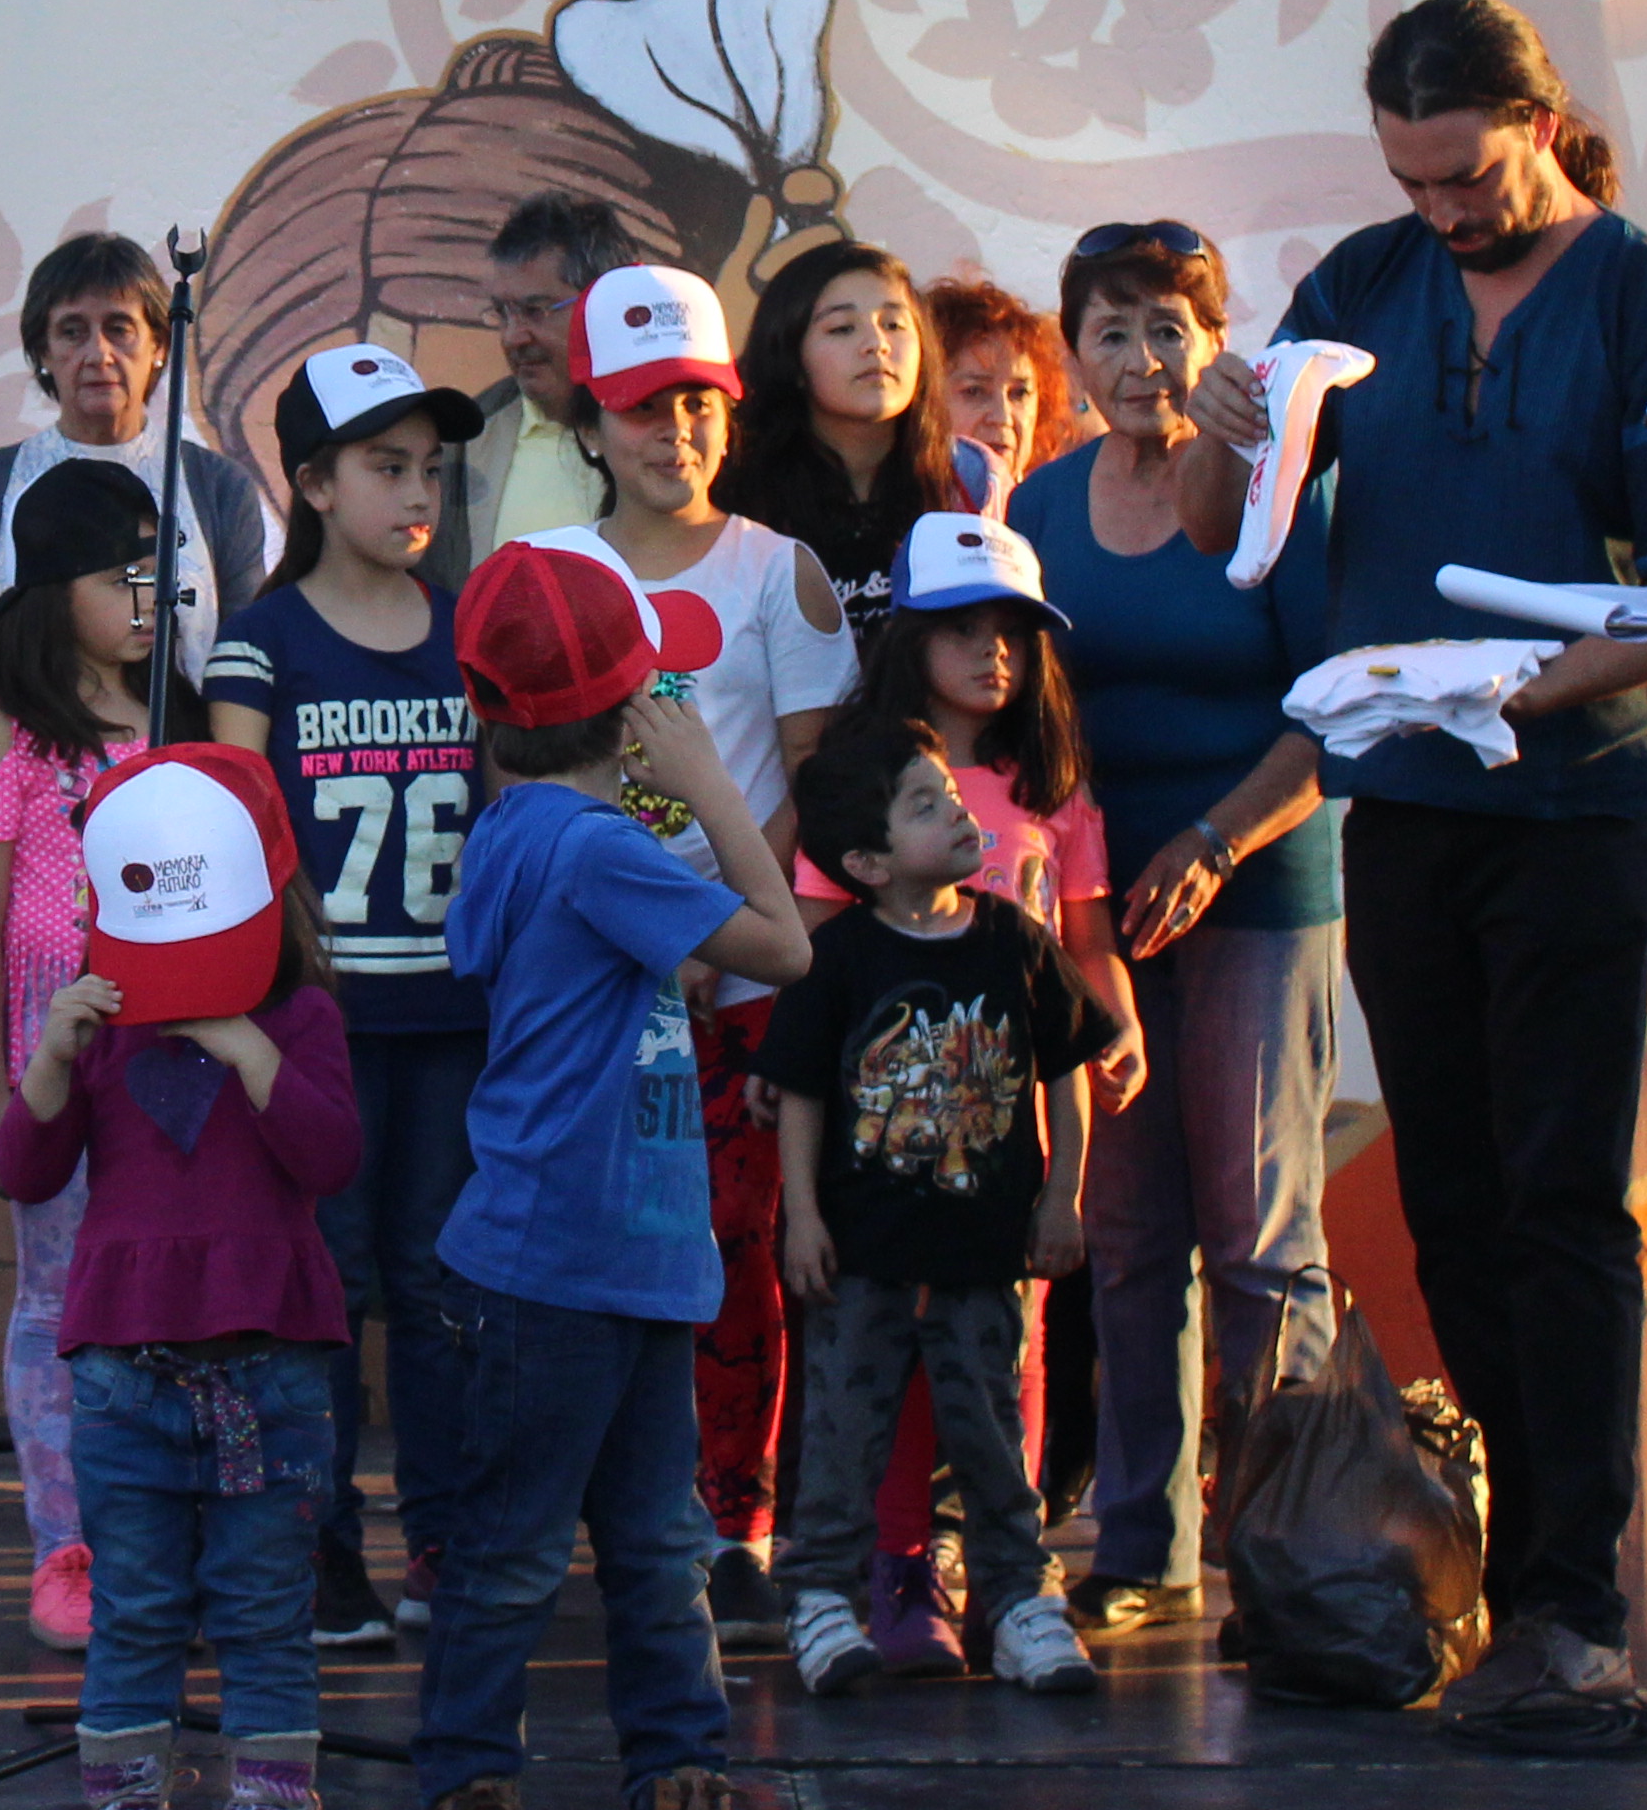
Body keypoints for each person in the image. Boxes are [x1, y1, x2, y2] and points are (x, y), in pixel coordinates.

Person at [1176, 0, 1647, 1725]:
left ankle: (1576, 1595)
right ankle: (1499, 1575)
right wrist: (1220, 426)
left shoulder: (1636, 294)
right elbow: (1225, 534)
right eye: (1412, 179)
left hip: (1572, 806)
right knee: (1448, 1200)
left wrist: (1524, 686)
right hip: (1406, 803)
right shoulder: (1364, 282)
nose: (1443, 209)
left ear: (1539, 123)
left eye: (1469, 176)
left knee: (1559, 1200)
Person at [414, 536, 809, 1810]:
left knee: (611, 1541)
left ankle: (665, 1759)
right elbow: (785, 945)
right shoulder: (598, 850)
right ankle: (490, 1768)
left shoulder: (519, 831)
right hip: (573, 1263)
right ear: (638, 702)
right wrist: (709, 785)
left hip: (600, 1257)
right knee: (603, 1545)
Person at [1019, 219, 1334, 1640]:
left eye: (1171, 330)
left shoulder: (1279, 492)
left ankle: (1288, 1552)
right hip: (1101, 920)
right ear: (1074, 354)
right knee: (1130, 1234)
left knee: (1259, 1236)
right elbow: (1026, 715)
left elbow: (1330, 708)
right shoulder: (1041, 509)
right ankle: (1142, 1543)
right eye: (1113, 332)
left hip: (1256, 890)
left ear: (1217, 348)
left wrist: (1217, 840)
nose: (1144, 360)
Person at [534, 262, 856, 1639]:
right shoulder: (551, 576)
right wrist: (634, 936)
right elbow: (524, 778)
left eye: (697, 403)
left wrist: (717, 934)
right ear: (590, 422)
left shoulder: (782, 571)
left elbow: (808, 774)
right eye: (642, 407)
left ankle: (736, 1525)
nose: (674, 432)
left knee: (736, 1246)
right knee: (597, 1248)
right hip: (597, 990)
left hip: (741, 985)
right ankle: (615, 1515)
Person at [795, 513, 1141, 1678]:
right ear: (910, 640)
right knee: (878, 1363)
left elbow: (1085, 941)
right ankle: (897, 1567)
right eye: (962, 629)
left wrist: (1117, 1022)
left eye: (1013, 632)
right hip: (882, 1148)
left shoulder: (1051, 786)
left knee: (1005, 1364)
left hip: (1003, 1141)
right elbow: (819, 954)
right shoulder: (859, 786)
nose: (992, 652)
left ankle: (1009, 1580)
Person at [0, 748, 364, 1810]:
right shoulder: (105, 1033)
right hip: (126, 1381)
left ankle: (273, 1791)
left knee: (266, 1611)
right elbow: (24, 1171)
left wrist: (252, 1051)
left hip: (270, 1374)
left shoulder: (302, 1019)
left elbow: (333, 1159)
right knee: (138, 1610)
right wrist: (52, 1058)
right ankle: (123, 1790)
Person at [204, 342, 486, 1650]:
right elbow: (235, 821)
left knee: (438, 1286)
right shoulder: (260, 646)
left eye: (429, 467)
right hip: (320, 1026)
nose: (416, 490)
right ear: (313, 484)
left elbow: (513, 806)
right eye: (385, 466)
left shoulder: (469, 630)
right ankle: (317, 1549)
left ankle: (443, 1539)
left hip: (453, 1019)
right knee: (328, 1286)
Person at [762, 719, 1118, 1704]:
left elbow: (1064, 1071)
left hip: (985, 1250)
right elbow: (801, 1092)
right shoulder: (839, 959)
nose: (958, 816)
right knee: (843, 1433)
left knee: (993, 1435)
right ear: (867, 863)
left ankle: (1019, 1601)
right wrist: (803, 1217)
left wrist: (1063, 1192)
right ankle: (821, 1601)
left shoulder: (1013, 940)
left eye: (952, 797)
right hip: (863, 1253)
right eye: (925, 807)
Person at [0, 455, 199, 1651]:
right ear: (54, 590)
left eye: (157, 575)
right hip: (56, 1064)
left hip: (179, 1063)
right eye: (120, 577)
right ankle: (68, 1545)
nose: (149, 599)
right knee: (58, 1299)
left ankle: (171, 1538)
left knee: (177, 1291)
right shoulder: (3, 731)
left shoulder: (179, 719)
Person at [0, 230, 274, 708]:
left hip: (183, 749)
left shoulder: (219, 486)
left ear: (159, 345)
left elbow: (245, 647)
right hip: (27, 749)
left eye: (119, 328)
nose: (98, 354)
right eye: (72, 332)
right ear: (43, 352)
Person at [715, 240, 972, 626]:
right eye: (841, 329)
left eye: (894, 325)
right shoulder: (735, 492)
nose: (877, 345)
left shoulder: (969, 479)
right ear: (790, 357)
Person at [439, 190, 648, 580]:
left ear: (605, 300)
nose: (513, 337)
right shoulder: (464, 440)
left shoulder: (678, 431)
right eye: (503, 313)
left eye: (535, 311)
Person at [925, 275, 1080, 496]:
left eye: (1019, 393)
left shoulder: (1058, 511)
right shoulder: (893, 510)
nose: (1003, 417)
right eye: (975, 391)